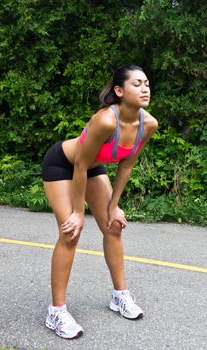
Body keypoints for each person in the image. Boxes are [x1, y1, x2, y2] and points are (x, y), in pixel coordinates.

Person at [41, 64, 158, 339]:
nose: (145, 89)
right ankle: (56, 311)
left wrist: (114, 206)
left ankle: (120, 296)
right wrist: (78, 213)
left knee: (113, 225)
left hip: (92, 168)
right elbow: (80, 164)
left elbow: (127, 165)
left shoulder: (148, 124)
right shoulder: (106, 120)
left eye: (147, 84)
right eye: (137, 84)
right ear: (119, 91)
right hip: (63, 164)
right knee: (70, 232)